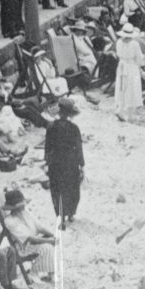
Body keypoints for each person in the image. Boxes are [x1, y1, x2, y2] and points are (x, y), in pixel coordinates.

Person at [44, 97, 85, 228]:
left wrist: (47, 162)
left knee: (57, 189)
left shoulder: (51, 127)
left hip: (55, 162)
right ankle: (71, 213)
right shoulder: (74, 128)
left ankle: (59, 216)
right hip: (70, 162)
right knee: (72, 187)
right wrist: (82, 164)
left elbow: (48, 146)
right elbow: (78, 147)